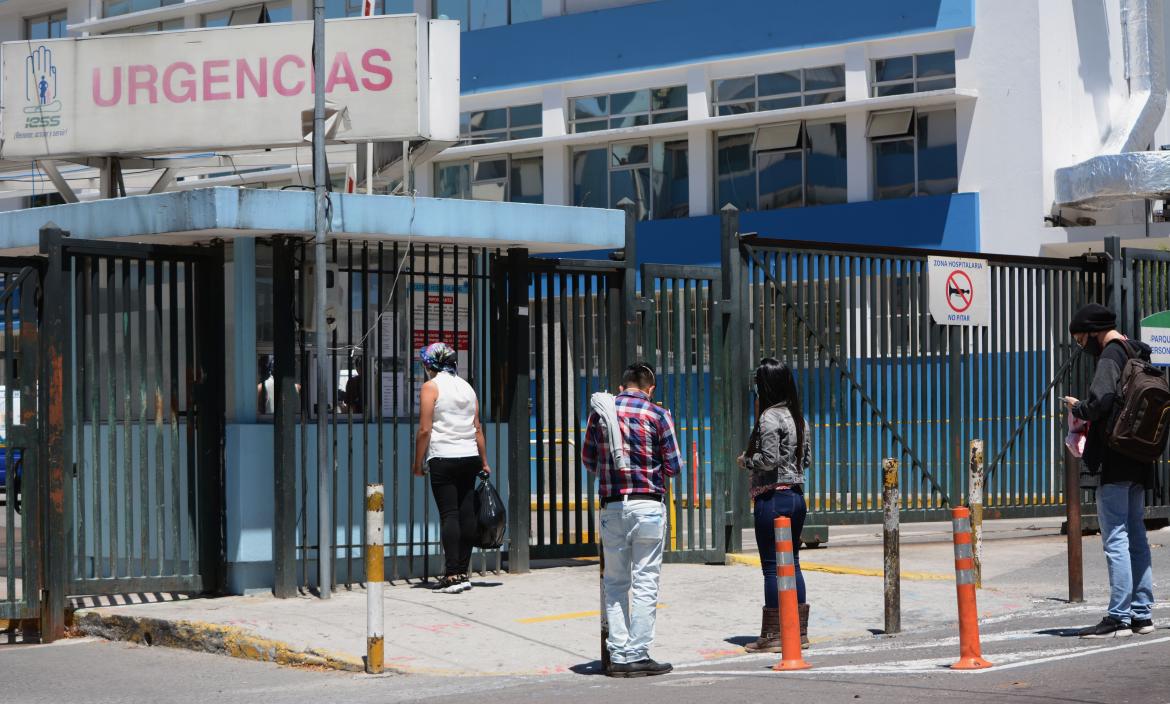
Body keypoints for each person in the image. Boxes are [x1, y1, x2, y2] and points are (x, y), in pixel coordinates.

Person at [1062, 303, 1156, 639]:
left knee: (1115, 537)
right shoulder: (1135, 350)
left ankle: (1118, 615)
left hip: (1114, 458)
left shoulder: (1110, 355)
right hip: (1139, 457)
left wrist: (1079, 407)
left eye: (1079, 339)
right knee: (1136, 537)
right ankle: (1142, 615)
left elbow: (1100, 402)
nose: (1080, 346)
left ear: (1091, 331)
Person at [582, 362, 681, 678]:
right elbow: (675, 466)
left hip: (612, 508)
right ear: (650, 389)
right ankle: (638, 654)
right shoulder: (658, 414)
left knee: (615, 583)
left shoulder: (601, 413)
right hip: (648, 507)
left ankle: (619, 654)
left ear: (622, 386)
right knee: (645, 581)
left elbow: (588, 459)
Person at [737, 357, 811, 652]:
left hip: (772, 497)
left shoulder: (768, 418)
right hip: (795, 496)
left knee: (771, 568)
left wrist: (746, 461)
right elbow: (806, 461)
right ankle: (799, 631)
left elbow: (768, 460)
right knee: (792, 563)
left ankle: (772, 635)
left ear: (764, 386)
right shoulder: (799, 417)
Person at [411, 342, 491, 594]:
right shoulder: (468, 388)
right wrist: (485, 461)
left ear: (430, 364)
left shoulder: (430, 387)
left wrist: (417, 463)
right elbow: (477, 427)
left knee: (450, 515)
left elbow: (425, 429)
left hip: (443, 457)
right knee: (466, 514)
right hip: (469, 456)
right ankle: (463, 573)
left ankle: (452, 575)